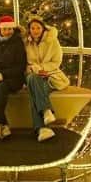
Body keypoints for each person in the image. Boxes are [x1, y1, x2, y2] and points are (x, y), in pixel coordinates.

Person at [23, 14, 70, 143]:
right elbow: (24, 63)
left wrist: (42, 69)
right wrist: (34, 69)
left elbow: (56, 61)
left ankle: (42, 128)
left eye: (38, 27)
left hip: (50, 75)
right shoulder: (26, 43)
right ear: (29, 30)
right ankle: (46, 111)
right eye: (32, 28)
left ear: (43, 28)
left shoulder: (52, 41)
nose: (35, 31)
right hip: (32, 74)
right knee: (33, 78)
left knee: (33, 88)